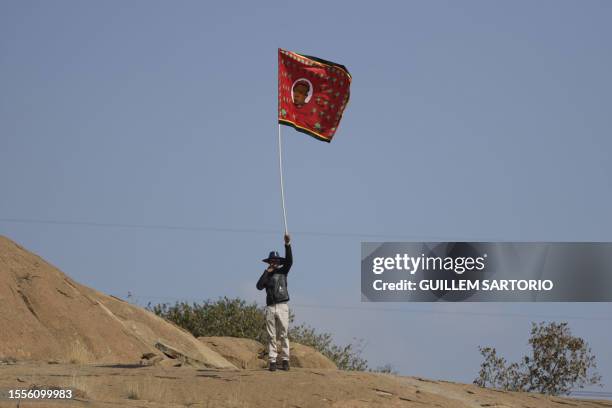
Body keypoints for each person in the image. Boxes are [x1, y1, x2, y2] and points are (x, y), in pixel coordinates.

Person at [256, 234, 292, 371]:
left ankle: (285, 360)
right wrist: (266, 272)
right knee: (271, 335)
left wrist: (287, 245)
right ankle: (272, 361)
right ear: (269, 262)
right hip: (270, 306)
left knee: (283, 333)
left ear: (279, 262)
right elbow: (259, 286)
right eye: (272, 261)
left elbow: (290, 261)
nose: (274, 263)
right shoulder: (267, 274)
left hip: (283, 305)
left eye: (276, 261)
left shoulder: (283, 271)